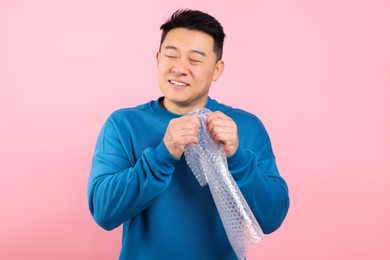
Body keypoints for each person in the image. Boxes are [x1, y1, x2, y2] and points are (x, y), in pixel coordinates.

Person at [88, 9, 289, 260]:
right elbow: (104, 212)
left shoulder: (245, 127)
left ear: (216, 70)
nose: (179, 68)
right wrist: (162, 155)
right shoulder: (123, 124)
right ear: (158, 59)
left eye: (194, 60)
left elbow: (272, 217)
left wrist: (236, 157)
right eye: (171, 55)